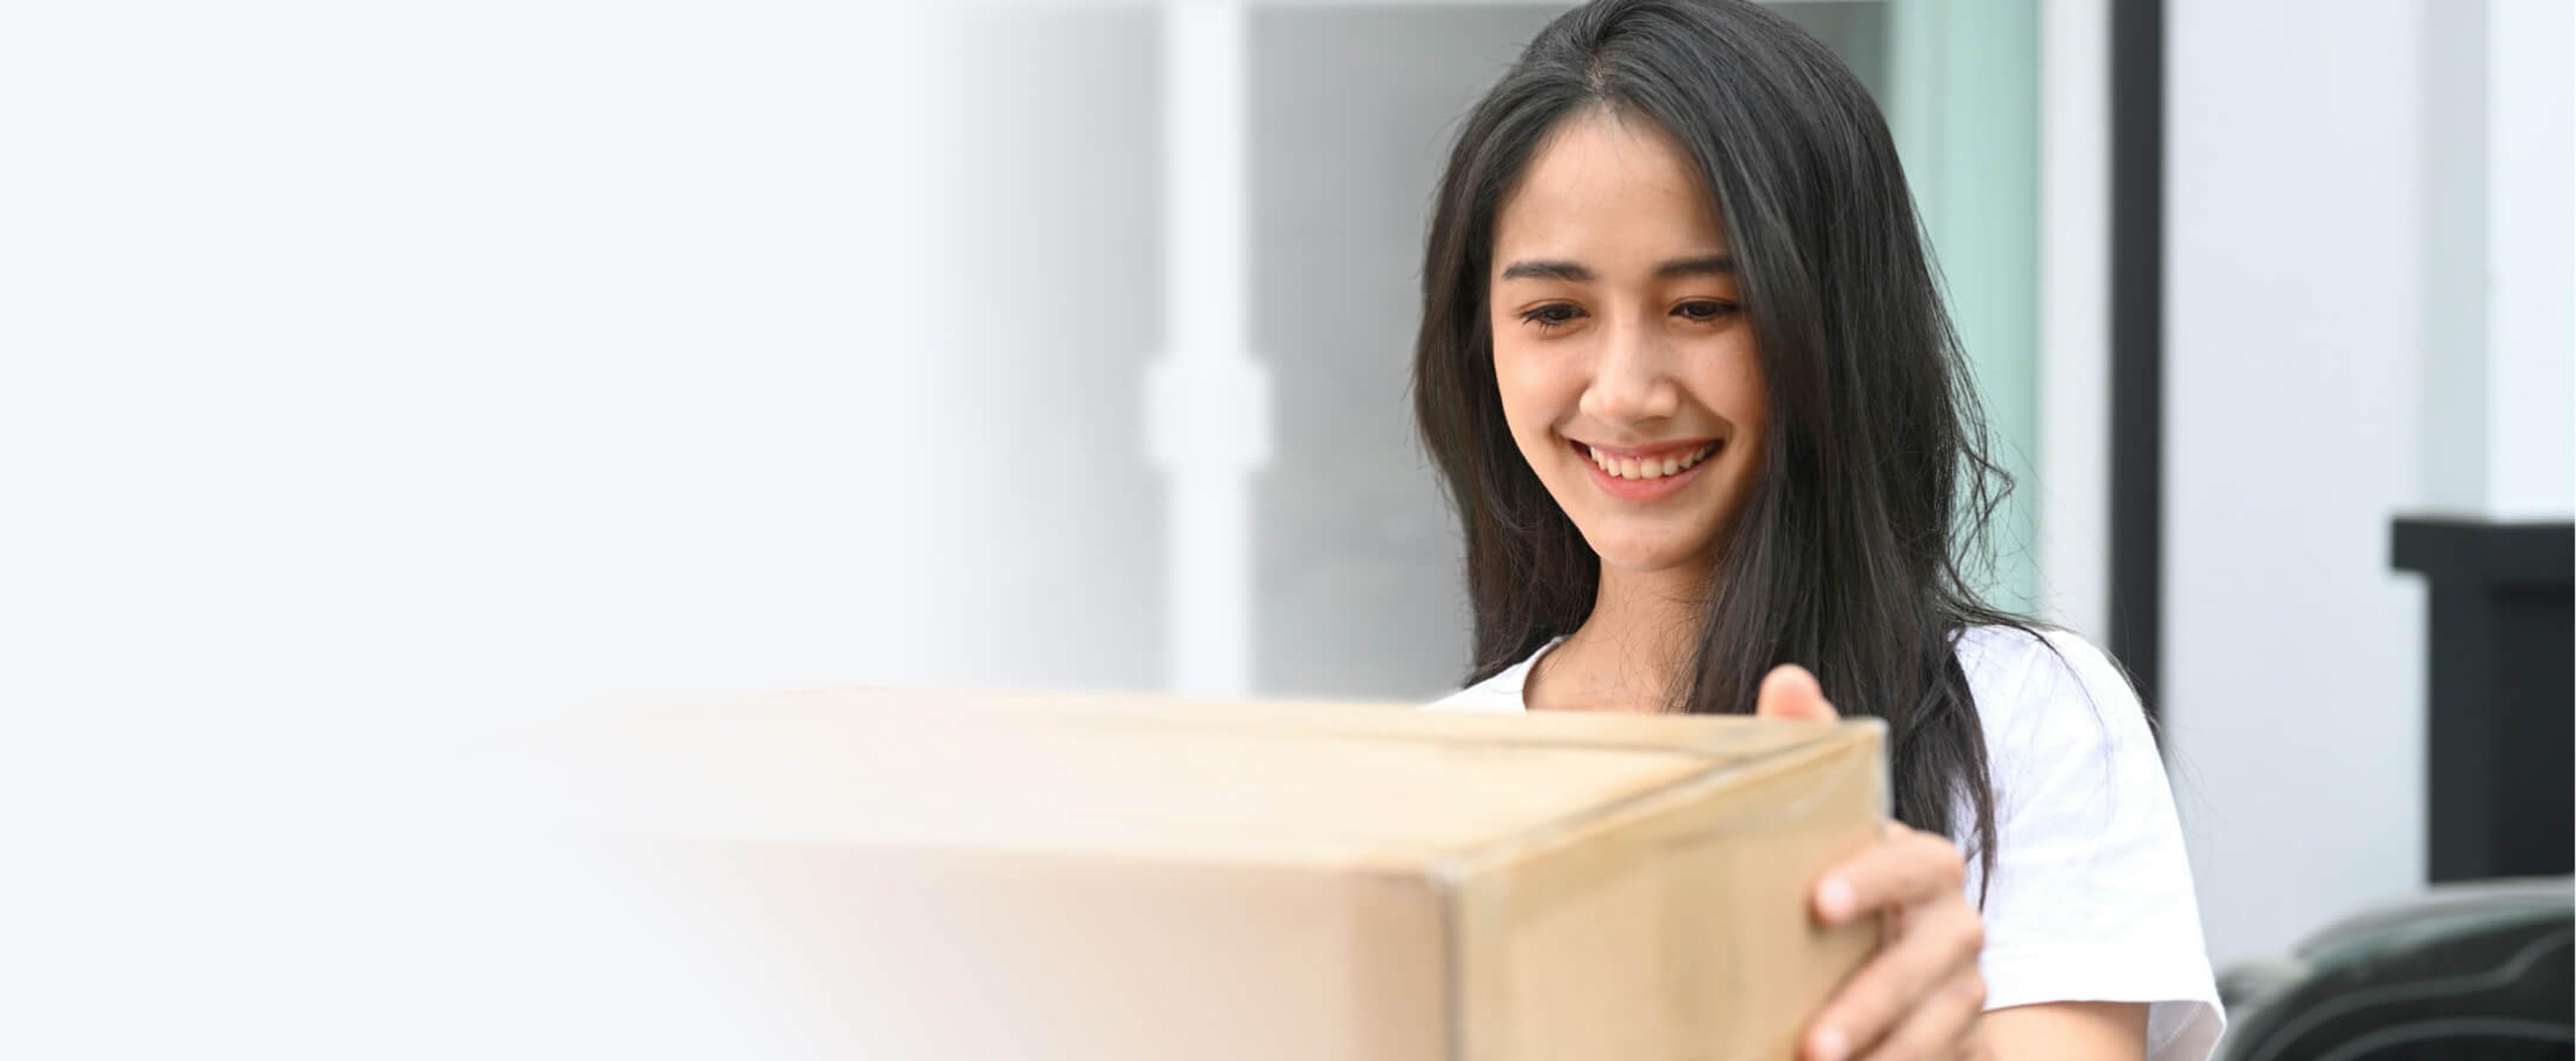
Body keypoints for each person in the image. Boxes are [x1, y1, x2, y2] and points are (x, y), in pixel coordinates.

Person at [1412, 1, 2220, 1058]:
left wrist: (1932, 1036)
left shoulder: (2020, 721)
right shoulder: (1429, 776)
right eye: (1555, 314)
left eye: (1703, 307)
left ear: (1831, 321)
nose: (1624, 393)